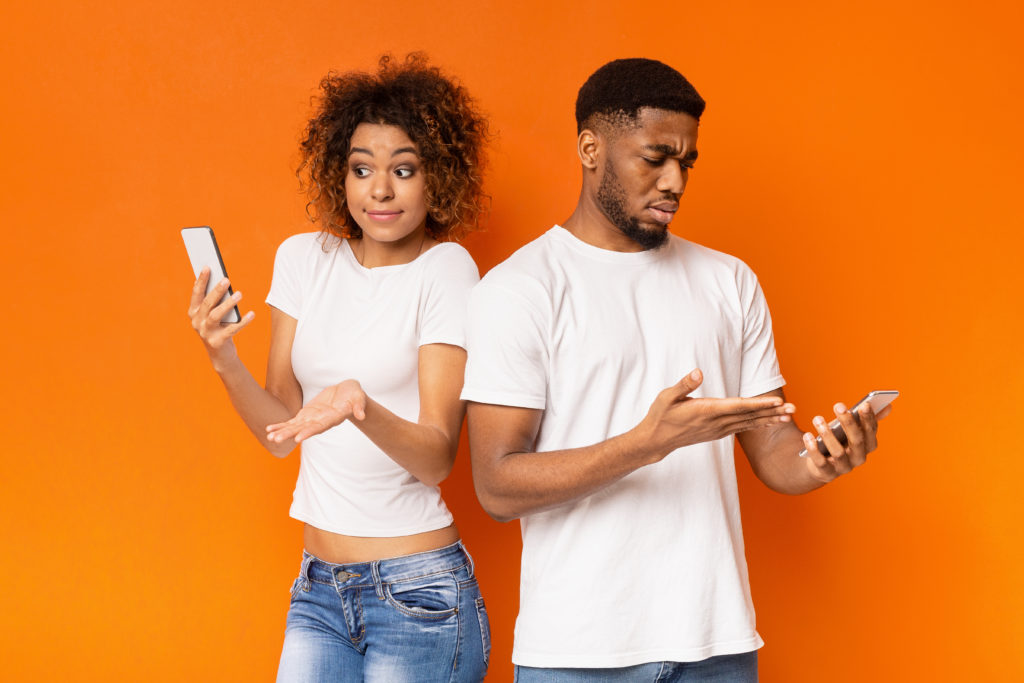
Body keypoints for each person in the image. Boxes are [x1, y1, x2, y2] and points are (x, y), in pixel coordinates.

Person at [461, 58, 893, 682]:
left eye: (686, 163)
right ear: (590, 147)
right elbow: (497, 486)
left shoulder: (729, 281)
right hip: (579, 655)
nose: (675, 181)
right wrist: (648, 443)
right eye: (655, 157)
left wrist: (823, 459)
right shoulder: (521, 289)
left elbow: (775, 450)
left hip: (716, 647)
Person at [187, 54, 491, 682]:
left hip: (420, 595)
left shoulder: (446, 270)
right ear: (340, 175)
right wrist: (224, 360)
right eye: (361, 169)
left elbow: (437, 457)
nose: (379, 190)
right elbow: (282, 433)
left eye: (403, 170)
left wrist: (361, 405)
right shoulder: (305, 258)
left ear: (439, 179)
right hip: (318, 592)